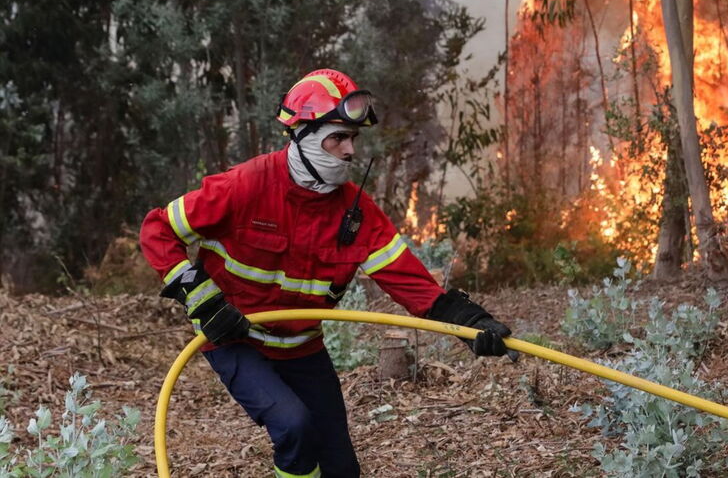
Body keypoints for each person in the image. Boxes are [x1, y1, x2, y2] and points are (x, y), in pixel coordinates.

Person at [139, 69, 513, 478]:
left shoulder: (357, 213)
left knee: (339, 463)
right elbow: (157, 228)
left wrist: (471, 324)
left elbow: (414, 285)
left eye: (353, 139)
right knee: (294, 427)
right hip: (236, 340)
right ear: (302, 135)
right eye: (338, 137)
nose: (350, 150)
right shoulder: (245, 185)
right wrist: (199, 295)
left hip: (303, 348)